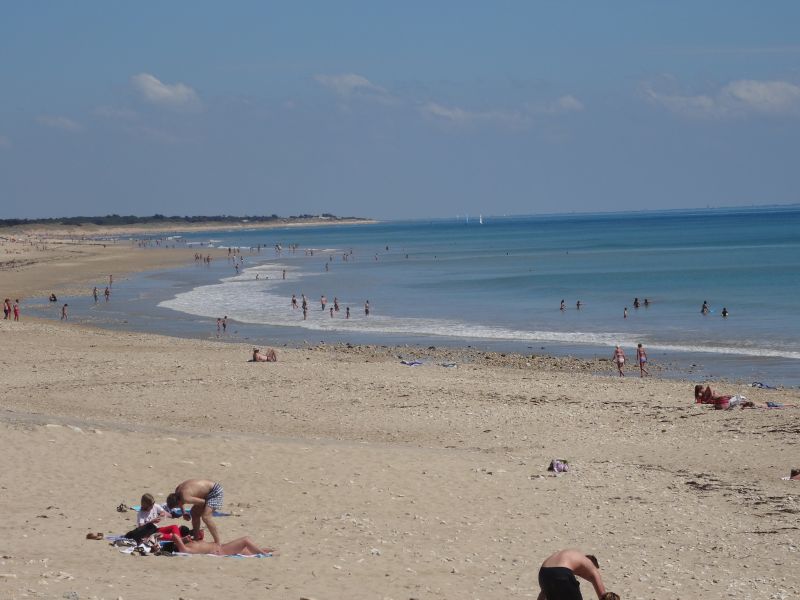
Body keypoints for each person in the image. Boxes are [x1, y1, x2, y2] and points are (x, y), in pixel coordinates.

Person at [537, 549, 618, 600]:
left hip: (543, 573)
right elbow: (603, 596)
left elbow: (544, 592)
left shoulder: (573, 557)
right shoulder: (591, 565)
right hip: (562, 574)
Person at [166, 479, 224, 544]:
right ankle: (196, 539)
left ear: (178, 502)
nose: (178, 507)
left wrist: (204, 511)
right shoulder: (177, 492)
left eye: (176, 506)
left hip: (215, 491)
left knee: (206, 517)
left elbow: (204, 502)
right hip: (206, 492)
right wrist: (184, 512)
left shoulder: (186, 498)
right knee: (194, 513)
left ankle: (217, 542)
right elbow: (180, 503)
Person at [172, 534, 272, 556]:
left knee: (247, 549)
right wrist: (178, 540)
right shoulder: (186, 549)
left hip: (222, 547)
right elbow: (174, 536)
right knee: (245, 540)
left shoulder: (189, 544)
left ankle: (268, 552)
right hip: (221, 550)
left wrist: (184, 539)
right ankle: (265, 555)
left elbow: (177, 539)